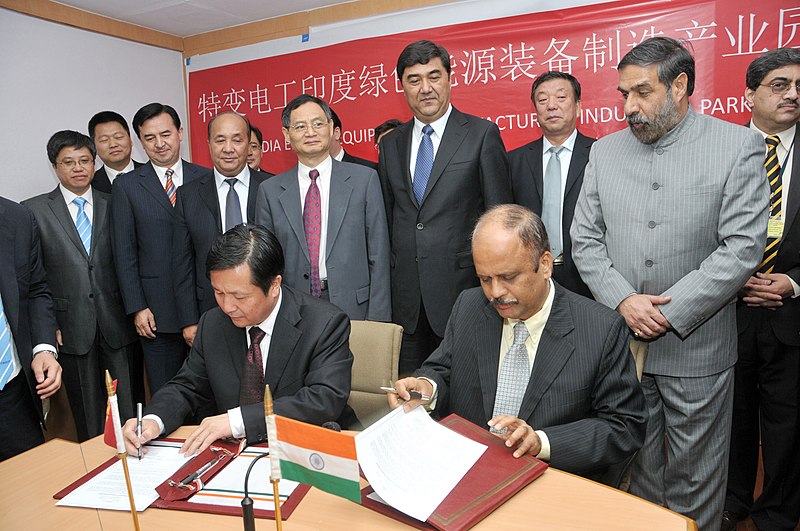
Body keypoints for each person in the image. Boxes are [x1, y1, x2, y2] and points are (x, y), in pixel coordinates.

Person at [570, 37, 768, 529]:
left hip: (697, 345)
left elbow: (742, 246)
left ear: (680, 86)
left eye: (641, 92)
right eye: (623, 94)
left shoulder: (736, 144)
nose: (629, 107)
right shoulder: (606, 151)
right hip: (622, 346)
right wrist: (623, 300)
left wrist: (666, 311)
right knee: (635, 466)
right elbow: (585, 240)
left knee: (696, 476)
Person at [390, 205, 646, 482]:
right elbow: (443, 369)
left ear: (545, 264)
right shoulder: (469, 307)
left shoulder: (600, 328)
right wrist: (426, 389)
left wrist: (541, 442)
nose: (495, 292)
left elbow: (624, 427)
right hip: (464, 473)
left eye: (509, 277)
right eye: (485, 279)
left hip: (550, 483)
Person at [121, 224, 355, 457]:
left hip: (309, 453)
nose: (227, 306)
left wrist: (236, 421)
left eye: (239, 296)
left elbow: (324, 399)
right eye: (218, 293)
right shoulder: (213, 323)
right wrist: (153, 421)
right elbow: (187, 386)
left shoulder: (324, 323)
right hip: (237, 457)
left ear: (274, 285)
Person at [378, 39, 512, 376]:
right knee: (410, 398)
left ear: (450, 79)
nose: (425, 88)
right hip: (407, 303)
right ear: (402, 86)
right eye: (414, 79)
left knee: (463, 397)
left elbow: (500, 220)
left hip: (464, 294)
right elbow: (391, 217)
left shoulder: (481, 134)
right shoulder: (391, 144)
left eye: (434, 76)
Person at [723, 48, 800, 531]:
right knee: (732, 418)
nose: (793, 93)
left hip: (790, 312)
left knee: (787, 424)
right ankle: (732, 501)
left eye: (798, 85)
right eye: (779, 84)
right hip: (725, 310)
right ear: (748, 93)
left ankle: (778, 512)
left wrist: (793, 282)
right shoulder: (723, 149)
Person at [23, 130, 137, 441]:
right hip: (70, 325)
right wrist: (47, 328)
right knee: (87, 411)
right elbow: (33, 278)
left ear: (94, 162)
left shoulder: (115, 202)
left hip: (116, 320)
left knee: (124, 404)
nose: (78, 168)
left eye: (85, 160)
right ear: (54, 166)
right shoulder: (32, 211)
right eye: (69, 162)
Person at [256, 95, 390, 322]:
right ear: (287, 135)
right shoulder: (269, 191)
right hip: (295, 309)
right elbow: (267, 263)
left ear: (331, 128)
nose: (310, 132)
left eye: (318, 124)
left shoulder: (364, 180)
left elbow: (379, 255)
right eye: (300, 126)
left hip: (355, 307)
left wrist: (378, 321)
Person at [111, 102, 212, 395]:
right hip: (156, 312)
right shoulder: (127, 186)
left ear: (180, 133)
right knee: (167, 393)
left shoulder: (205, 177)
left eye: (166, 134)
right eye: (149, 138)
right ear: (140, 142)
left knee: (210, 392)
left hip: (207, 306)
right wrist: (137, 307)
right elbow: (124, 253)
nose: (159, 143)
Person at [173, 112, 270, 347]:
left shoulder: (272, 187)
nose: (228, 148)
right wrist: (189, 320)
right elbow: (182, 263)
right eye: (220, 140)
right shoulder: (188, 195)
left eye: (237, 140)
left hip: (264, 309)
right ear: (208, 143)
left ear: (249, 144)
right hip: (210, 311)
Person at [509, 71, 594, 298]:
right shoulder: (514, 161)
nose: (551, 106)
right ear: (535, 110)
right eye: (543, 100)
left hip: (588, 274)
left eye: (561, 98)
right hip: (532, 273)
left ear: (578, 107)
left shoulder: (599, 154)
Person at [0, 196, 61, 461]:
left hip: (12, 387)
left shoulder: (17, 217)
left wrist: (45, 348)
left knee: (31, 485)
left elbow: (36, 289)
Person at [88, 111, 144, 194]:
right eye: (104, 140)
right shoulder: (89, 185)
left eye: (118, 137)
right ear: (94, 147)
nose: (113, 144)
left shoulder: (153, 174)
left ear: (130, 140)